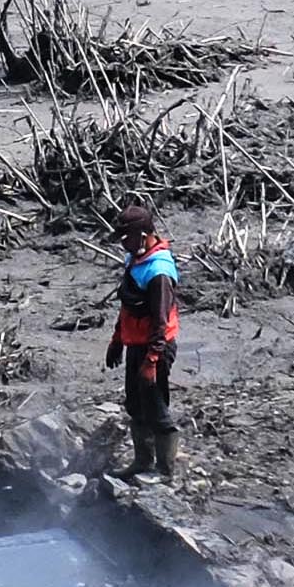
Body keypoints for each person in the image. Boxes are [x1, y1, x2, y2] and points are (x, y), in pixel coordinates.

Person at [106, 202, 183, 481]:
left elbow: (161, 322)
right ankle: (142, 461)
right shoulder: (134, 260)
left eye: (127, 237)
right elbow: (127, 306)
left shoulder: (159, 272)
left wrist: (152, 360)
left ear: (144, 234)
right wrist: (117, 340)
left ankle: (164, 470)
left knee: (155, 404)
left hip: (155, 346)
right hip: (135, 342)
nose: (123, 243)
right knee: (135, 403)